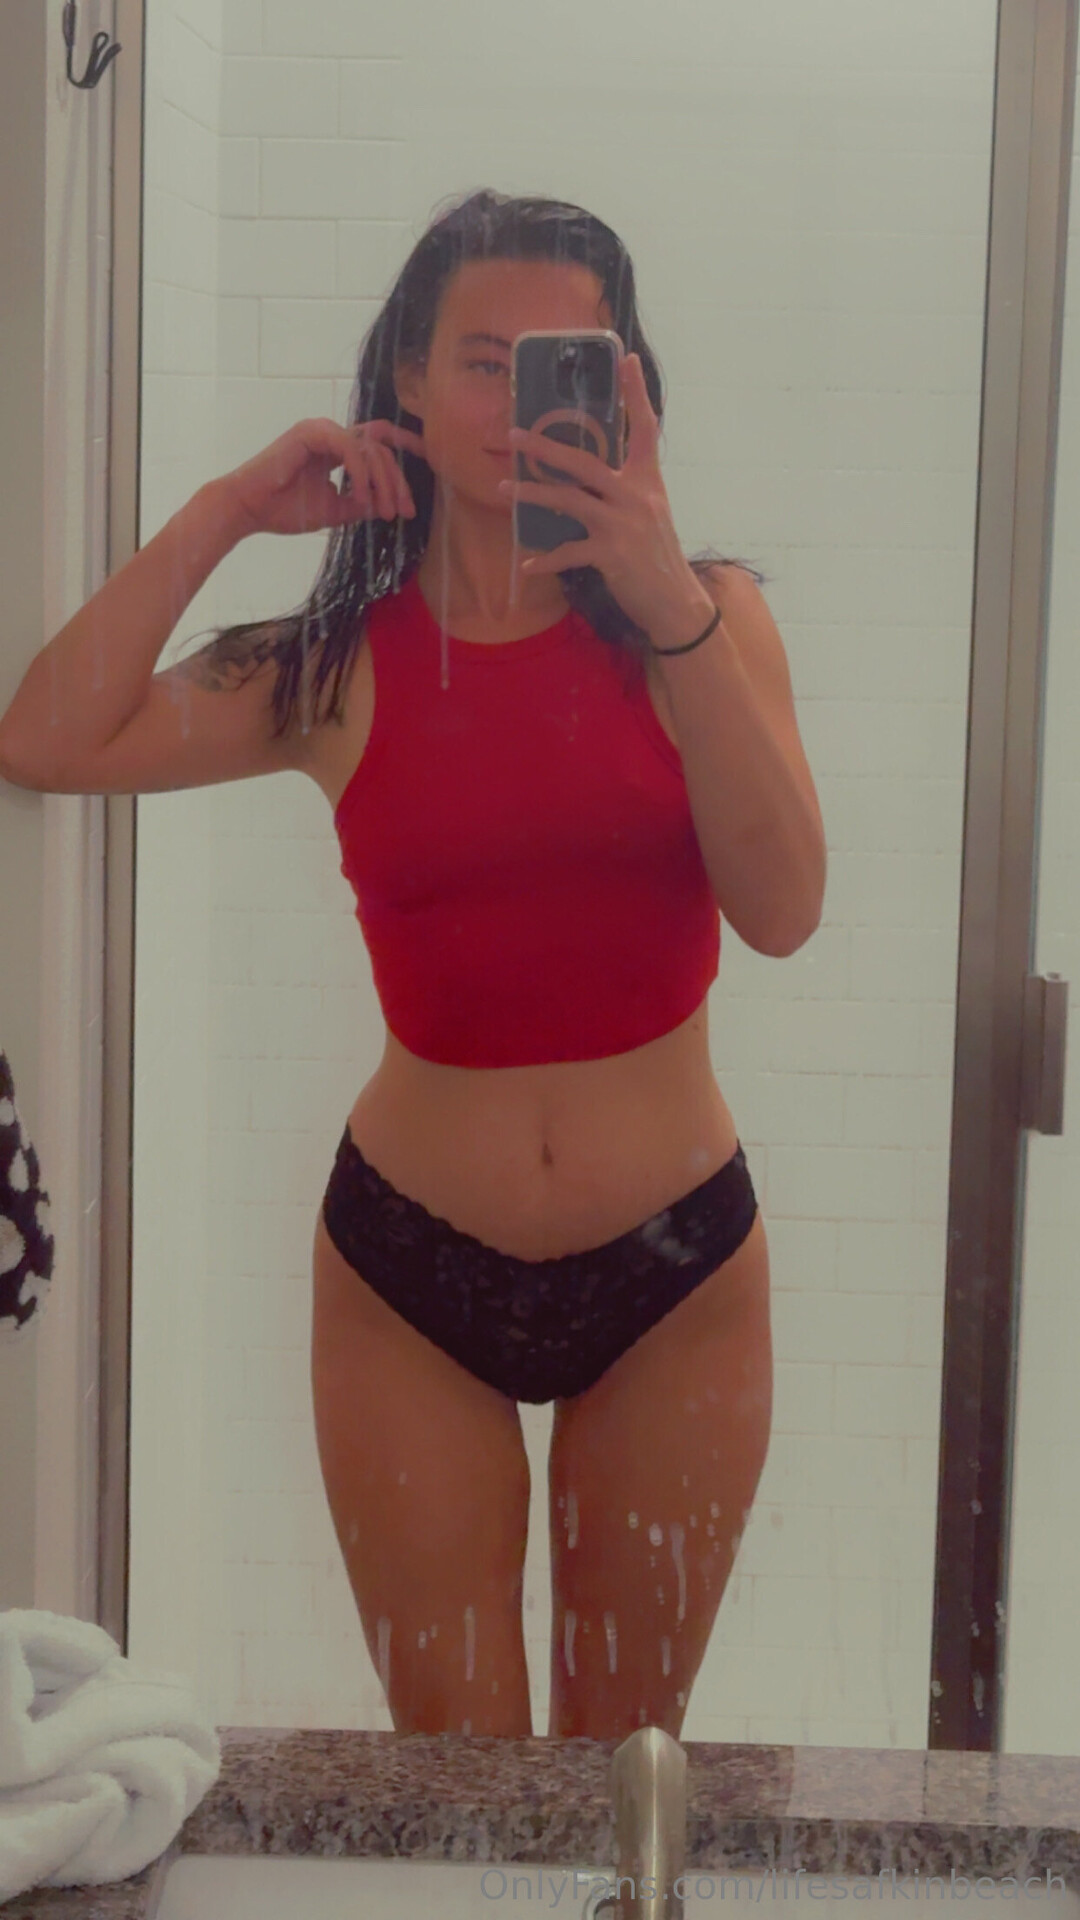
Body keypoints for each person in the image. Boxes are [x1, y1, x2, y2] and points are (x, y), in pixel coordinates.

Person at [0, 189, 826, 1741]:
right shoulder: (330, 666)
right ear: (407, 385)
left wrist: (667, 599)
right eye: (481, 363)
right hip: (406, 1283)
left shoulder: (710, 626)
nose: (519, 407)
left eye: (562, 366)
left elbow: (784, 911)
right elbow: (46, 735)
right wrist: (231, 509)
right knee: (454, 1790)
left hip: (678, 1281)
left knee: (624, 1770)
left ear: (627, 391)